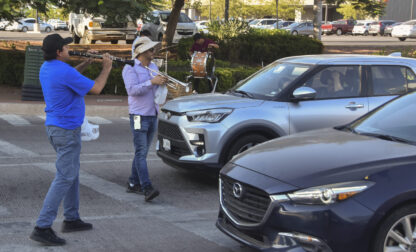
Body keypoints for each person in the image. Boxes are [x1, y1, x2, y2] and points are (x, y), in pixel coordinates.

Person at [30, 34, 112, 246]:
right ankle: (42, 226)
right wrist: (106, 68)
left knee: (71, 173)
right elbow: (96, 88)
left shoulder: (48, 67)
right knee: (65, 177)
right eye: (66, 47)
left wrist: (86, 62)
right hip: (66, 131)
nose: (69, 49)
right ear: (59, 52)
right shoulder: (62, 70)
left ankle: (72, 218)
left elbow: (71, 76)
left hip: (55, 129)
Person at [122, 36, 167, 202]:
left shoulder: (153, 66)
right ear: (141, 51)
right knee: (141, 152)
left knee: (142, 152)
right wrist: (151, 82)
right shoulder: (130, 68)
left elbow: (156, 90)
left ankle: (133, 182)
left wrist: (161, 83)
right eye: (150, 49)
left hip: (152, 114)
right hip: (138, 116)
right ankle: (146, 187)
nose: (153, 51)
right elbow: (132, 90)